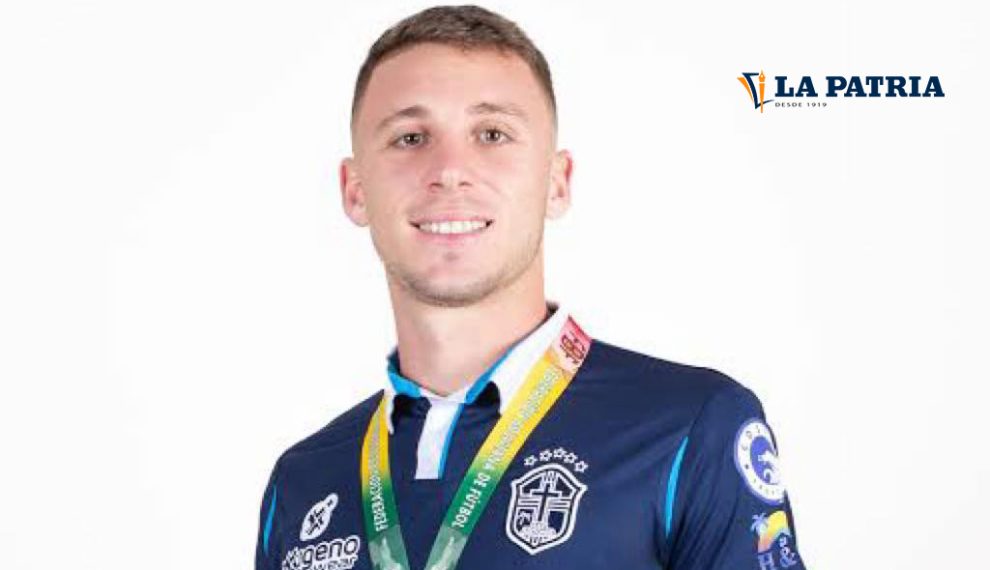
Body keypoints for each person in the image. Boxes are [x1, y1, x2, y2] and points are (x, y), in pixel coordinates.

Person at [254, 5, 806, 570]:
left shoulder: (691, 429)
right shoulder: (301, 482)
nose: (449, 170)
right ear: (355, 191)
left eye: (492, 134)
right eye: (410, 137)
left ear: (556, 183)